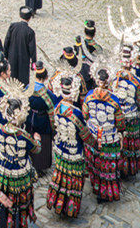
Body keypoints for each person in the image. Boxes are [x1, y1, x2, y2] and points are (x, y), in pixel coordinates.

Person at [0, 75, 41, 228]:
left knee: (4, 194)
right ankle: (17, 223)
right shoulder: (23, 135)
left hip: (2, 168)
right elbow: (36, 149)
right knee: (18, 199)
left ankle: (4, 221)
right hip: (19, 172)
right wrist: (38, 139)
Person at [46, 77, 93, 218]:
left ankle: (58, 202)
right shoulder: (76, 113)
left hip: (61, 148)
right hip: (74, 152)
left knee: (61, 175)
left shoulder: (57, 108)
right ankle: (70, 207)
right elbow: (85, 135)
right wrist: (95, 143)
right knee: (73, 179)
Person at [83, 65, 125, 202]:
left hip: (94, 134)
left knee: (95, 163)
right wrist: (121, 133)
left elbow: (85, 114)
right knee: (108, 166)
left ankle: (96, 187)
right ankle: (107, 192)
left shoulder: (89, 96)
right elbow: (120, 122)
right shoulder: (114, 100)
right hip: (109, 137)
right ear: (108, 81)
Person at [113, 45, 140, 178]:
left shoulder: (114, 78)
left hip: (118, 116)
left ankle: (118, 167)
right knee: (129, 143)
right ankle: (129, 168)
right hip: (131, 115)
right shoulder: (136, 81)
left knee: (119, 143)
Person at [26, 62, 57, 176]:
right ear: (46, 77)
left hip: (30, 118)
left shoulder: (28, 88)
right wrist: (53, 127)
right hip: (42, 120)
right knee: (43, 141)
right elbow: (51, 111)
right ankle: (40, 166)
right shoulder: (47, 94)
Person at [3, 6, 37, 85]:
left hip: (12, 56)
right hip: (24, 59)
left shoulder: (13, 26)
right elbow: (32, 49)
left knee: (12, 78)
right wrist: (34, 62)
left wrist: (5, 55)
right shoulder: (30, 32)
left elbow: (6, 41)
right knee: (23, 81)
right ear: (29, 18)